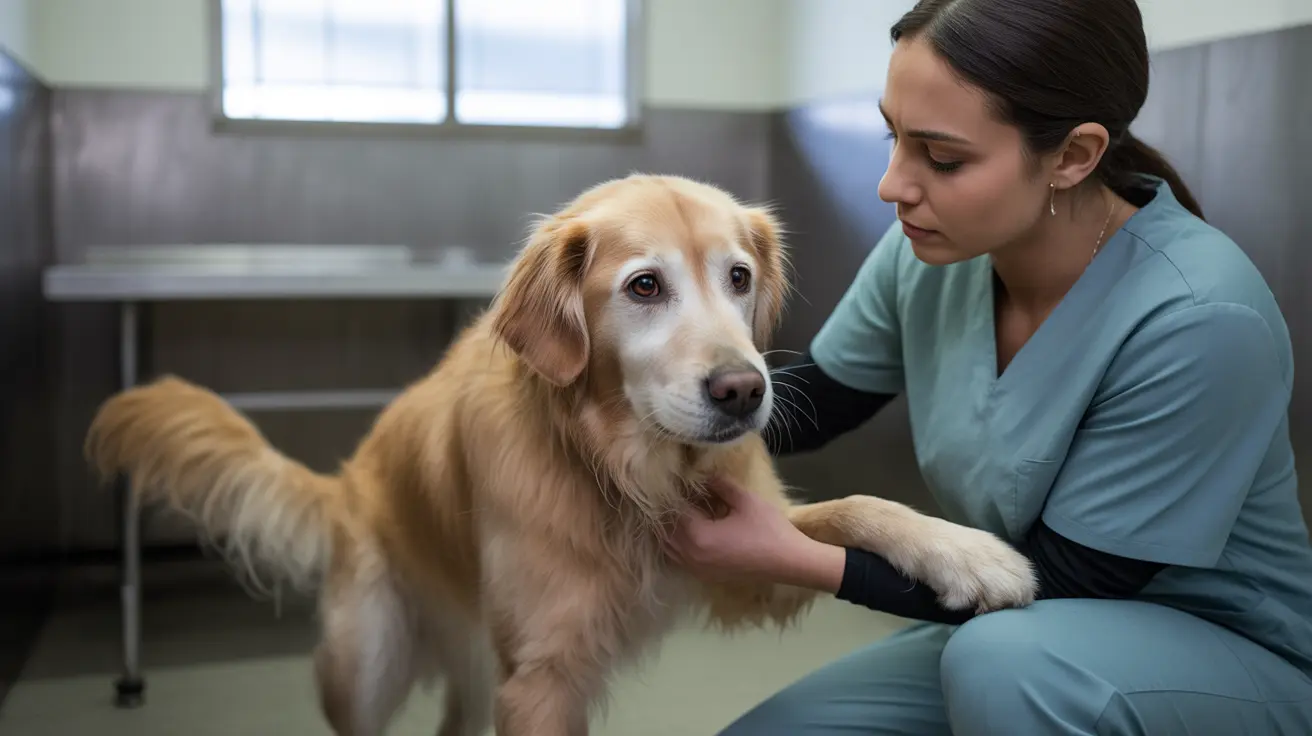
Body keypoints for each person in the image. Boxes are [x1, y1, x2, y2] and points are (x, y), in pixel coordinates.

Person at [665, 0, 1312, 733]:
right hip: (1017, 628)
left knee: (1001, 664)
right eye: (893, 136)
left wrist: (796, 555)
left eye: (942, 159)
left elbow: (1070, 580)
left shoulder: (1199, 316)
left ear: (1073, 156)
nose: (892, 184)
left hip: (1209, 648)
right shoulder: (927, 254)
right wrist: (636, 410)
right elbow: (814, 402)